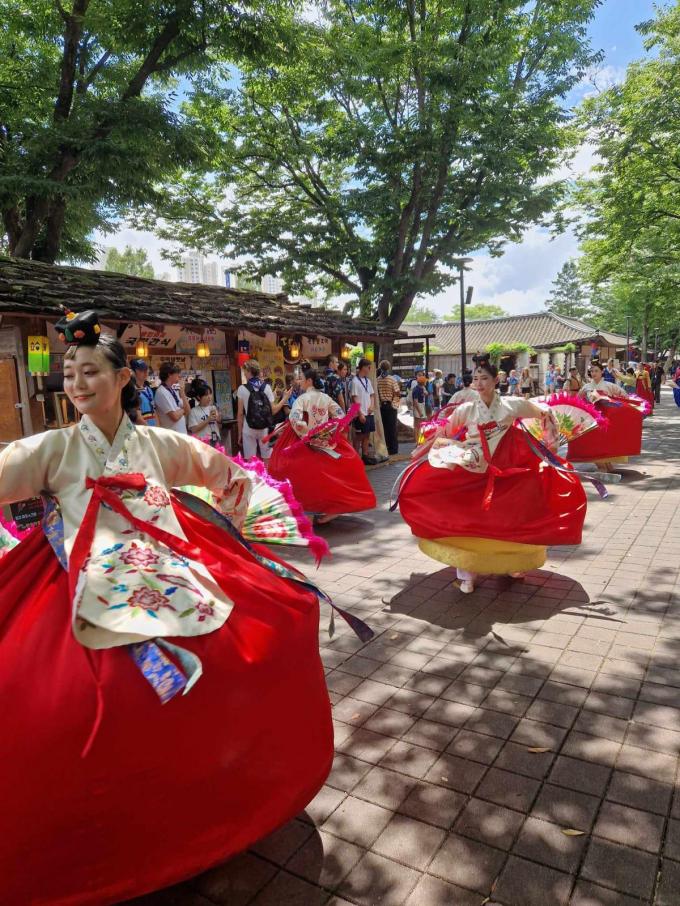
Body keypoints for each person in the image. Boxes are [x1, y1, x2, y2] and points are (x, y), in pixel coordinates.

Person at [0, 310, 334, 906]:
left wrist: (251, 531)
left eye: (90, 372)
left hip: (168, 572)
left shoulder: (156, 442)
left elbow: (227, 475)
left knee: (250, 653)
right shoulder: (51, 449)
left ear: (123, 376)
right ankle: (119, 837)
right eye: (69, 374)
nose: (76, 385)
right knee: (59, 705)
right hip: (80, 577)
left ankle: (215, 802)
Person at [397, 356, 586, 594]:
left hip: (506, 466)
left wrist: (550, 440)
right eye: (476, 378)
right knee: (464, 514)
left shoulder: (511, 405)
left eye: (484, 378)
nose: (479, 383)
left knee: (512, 513)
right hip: (471, 466)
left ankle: (513, 562)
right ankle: (466, 572)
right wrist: (425, 449)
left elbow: (543, 412)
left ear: (496, 380)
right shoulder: (466, 408)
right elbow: (445, 431)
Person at [268, 368, 376, 524]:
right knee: (328, 477)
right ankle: (330, 508)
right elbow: (340, 416)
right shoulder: (326, 398)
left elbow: (295, 419)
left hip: (305, 445)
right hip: (324, 444)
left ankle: (308, 511)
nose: (300, 382)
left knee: (296, 475)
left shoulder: (302, 399)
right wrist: (326, 432)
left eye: (302, 379)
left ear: (309, 381)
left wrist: (306, 434)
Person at [567, 360, 645, 472]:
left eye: (596, 371)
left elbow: (623, 394)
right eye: (592, 371)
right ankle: (601, 465)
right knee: (593, 442)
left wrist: (617, 404)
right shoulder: (587, 387)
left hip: (606, 418)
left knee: (604, 442)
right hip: (591, 418)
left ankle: (606, 465)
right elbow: (577, 400)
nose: (593, 373)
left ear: (602, 372)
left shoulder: (609, 385)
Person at [237, 359, 290, 461]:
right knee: (267, 460)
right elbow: (273, 410)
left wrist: (239, 433)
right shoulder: (267, 387)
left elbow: (240, 414)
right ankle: (265, 477)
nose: (244, 374)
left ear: (248, 371)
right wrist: (285, 398)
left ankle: (254, 477)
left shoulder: (242, 389)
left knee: (251, 462)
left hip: (248, 428)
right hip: (264, 428)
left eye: (244, 372)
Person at [351, 358, 376, 463]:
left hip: (369, 412)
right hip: (360, 413)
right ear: (363, 367)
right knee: (359, 436)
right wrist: (360, 413)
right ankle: (355, 457)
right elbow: (354, 399)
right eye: (368, 367)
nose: (369, 369)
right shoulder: (355, 381)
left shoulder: (367, 380)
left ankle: (365, 456)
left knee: (367, 434)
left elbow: (372, 395)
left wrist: (372, 406)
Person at [154, 362, 190, 433]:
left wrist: (182, 392)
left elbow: (188, 410)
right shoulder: (161, 392)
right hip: (172, 436)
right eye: (177, 373)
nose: (179, 376)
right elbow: (175, 417)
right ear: (169, 374)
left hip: (181, 434)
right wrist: (183, 409)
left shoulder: (174, 390)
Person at [377, 359, 401, 456]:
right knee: (392, 428)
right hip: (391, 405)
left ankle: (385, 447)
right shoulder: (392, 379)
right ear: (389, 368)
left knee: (384, 428)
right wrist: (395, 404)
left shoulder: (377, 380)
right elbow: (397, 393)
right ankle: (393, 449)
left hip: (382, 406)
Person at [187, 380, 222, 445]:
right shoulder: (193, 411)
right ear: (198, 397)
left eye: (210, 394)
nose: (209, 397)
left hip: (216, 439)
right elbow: (193, 429)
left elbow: (219, 426)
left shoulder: (213, 408)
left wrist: (219, 420)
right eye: (206, 395)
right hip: (203, 442)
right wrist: (208, 420)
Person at [130, 358, 156, 426]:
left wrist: (158, 429)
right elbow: (138, 418)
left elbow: (154, 412)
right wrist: (150, 431)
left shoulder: (149, 390)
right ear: (132, 372)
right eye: (141, 370)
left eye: (146, 369)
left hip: (152, 428)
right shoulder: (131, 391)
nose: (145, 372)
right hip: (141, 430)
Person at [411, 369, 428, 443]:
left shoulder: (421, 388)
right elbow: (415, 401)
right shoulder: (417, 390)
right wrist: (420, 411)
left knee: (420, 425)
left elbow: (426, 393)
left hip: (421, 406)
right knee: (418, 426)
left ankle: (420, 441)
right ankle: (418, 441)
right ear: (423, 382)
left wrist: (424, 392)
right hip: (418, 407)